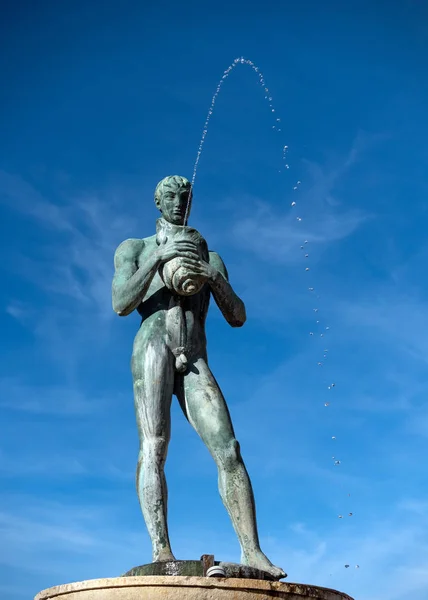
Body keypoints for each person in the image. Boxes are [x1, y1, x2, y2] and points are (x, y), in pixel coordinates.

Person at [112, 175, 286, 580]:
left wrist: (212, 276)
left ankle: (253, 550)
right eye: (171, 195)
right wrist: (160, 257)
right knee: (154, 446)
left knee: (229, 448)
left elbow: (237, 316)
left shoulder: (210, 255)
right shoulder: (134, 248)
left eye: (185, 196)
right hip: (153, 346)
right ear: (157, 201)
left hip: (194, 356)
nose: (179, 201)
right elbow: (121, 303)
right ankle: (161, 549)